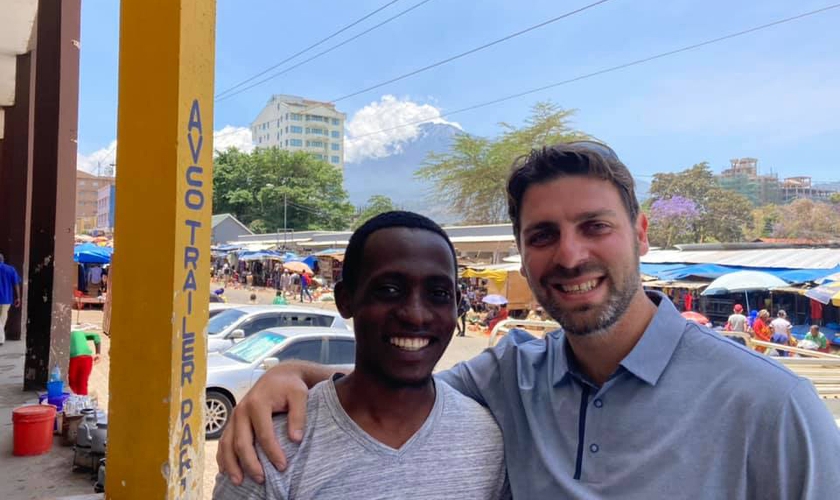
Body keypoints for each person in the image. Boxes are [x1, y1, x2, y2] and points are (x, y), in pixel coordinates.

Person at [218, 142, 840, 497]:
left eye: (595, 226)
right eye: (544, 234)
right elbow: (392, 382)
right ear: (523, 251)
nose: (570, 255)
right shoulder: (510, 377)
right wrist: (288, 375)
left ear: (641, 235)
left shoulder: (773, 407)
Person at [213, 212, 509, 499]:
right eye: (389, 289)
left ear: (457, 305)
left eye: (438, 294)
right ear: (345, 300)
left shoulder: (488, 440)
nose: (416, 315)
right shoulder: (269, 447)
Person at [69, 330, 101, 395]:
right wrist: (98, 353)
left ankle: (76, 401)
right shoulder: (80, 333)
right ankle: (82, 402)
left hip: (74, 359)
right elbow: (96, 336)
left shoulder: (66, 336)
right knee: (82, 383)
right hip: (87, 359)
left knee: (72, 383)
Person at [0, 252, 22, 346]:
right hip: (7, 298)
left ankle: (1, 339)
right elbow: (16, 284)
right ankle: (1, 339)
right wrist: (18, 297)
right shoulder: (11, 269)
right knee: (2, 318)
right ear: (3, 260)